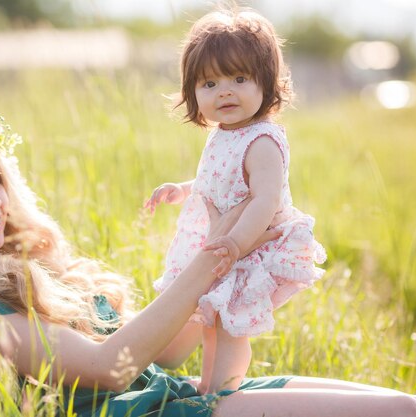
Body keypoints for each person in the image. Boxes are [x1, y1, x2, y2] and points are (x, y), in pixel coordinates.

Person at [0, 104, 416, 417]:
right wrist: (214, 256)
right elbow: (108, 369)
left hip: (168, 392)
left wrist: (248, 275)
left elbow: (159, 352)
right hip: (147, 415)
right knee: (403, 415)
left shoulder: (19, 266)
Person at [145, 9, 326, 394]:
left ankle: (223, 394)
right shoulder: (224, 133)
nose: (225, 91)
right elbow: (219, 181)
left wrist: (236, 244)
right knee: (211, 325)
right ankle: (209, 387)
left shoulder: (262, 140)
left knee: (229, 328)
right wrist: (183, 188)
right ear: (192, 92)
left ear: (267, 82)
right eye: (209, 83)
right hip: (223, 245)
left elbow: (264, 199)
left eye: (239, 78)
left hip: (247, 248)